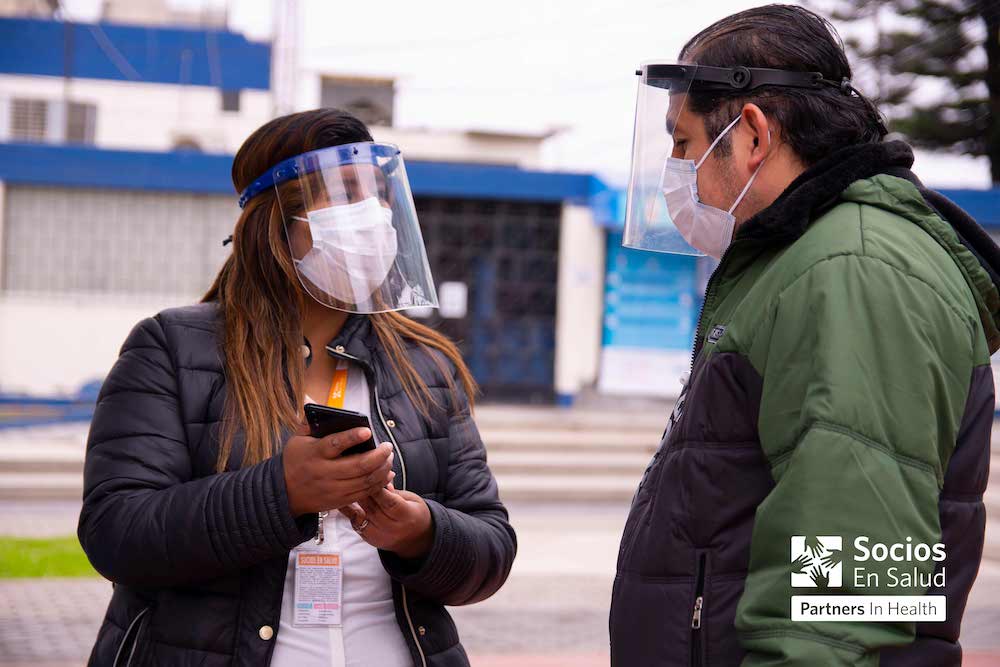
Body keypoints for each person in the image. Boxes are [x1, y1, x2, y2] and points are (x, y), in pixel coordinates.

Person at [611, 5, 998, 666]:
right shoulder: (805, 261)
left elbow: (847, 592)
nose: (678, 172)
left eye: (684, 146)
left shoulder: (857, 270)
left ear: (753, 134)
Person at [78, 108, 516, 667]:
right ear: (277, 224)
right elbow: (117, 533)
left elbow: (493, 549)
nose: (373, 215)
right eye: (346, 194)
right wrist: (280, 493)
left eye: (379, 195)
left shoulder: (426, 364)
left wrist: (423, 534)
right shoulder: (172, 348)